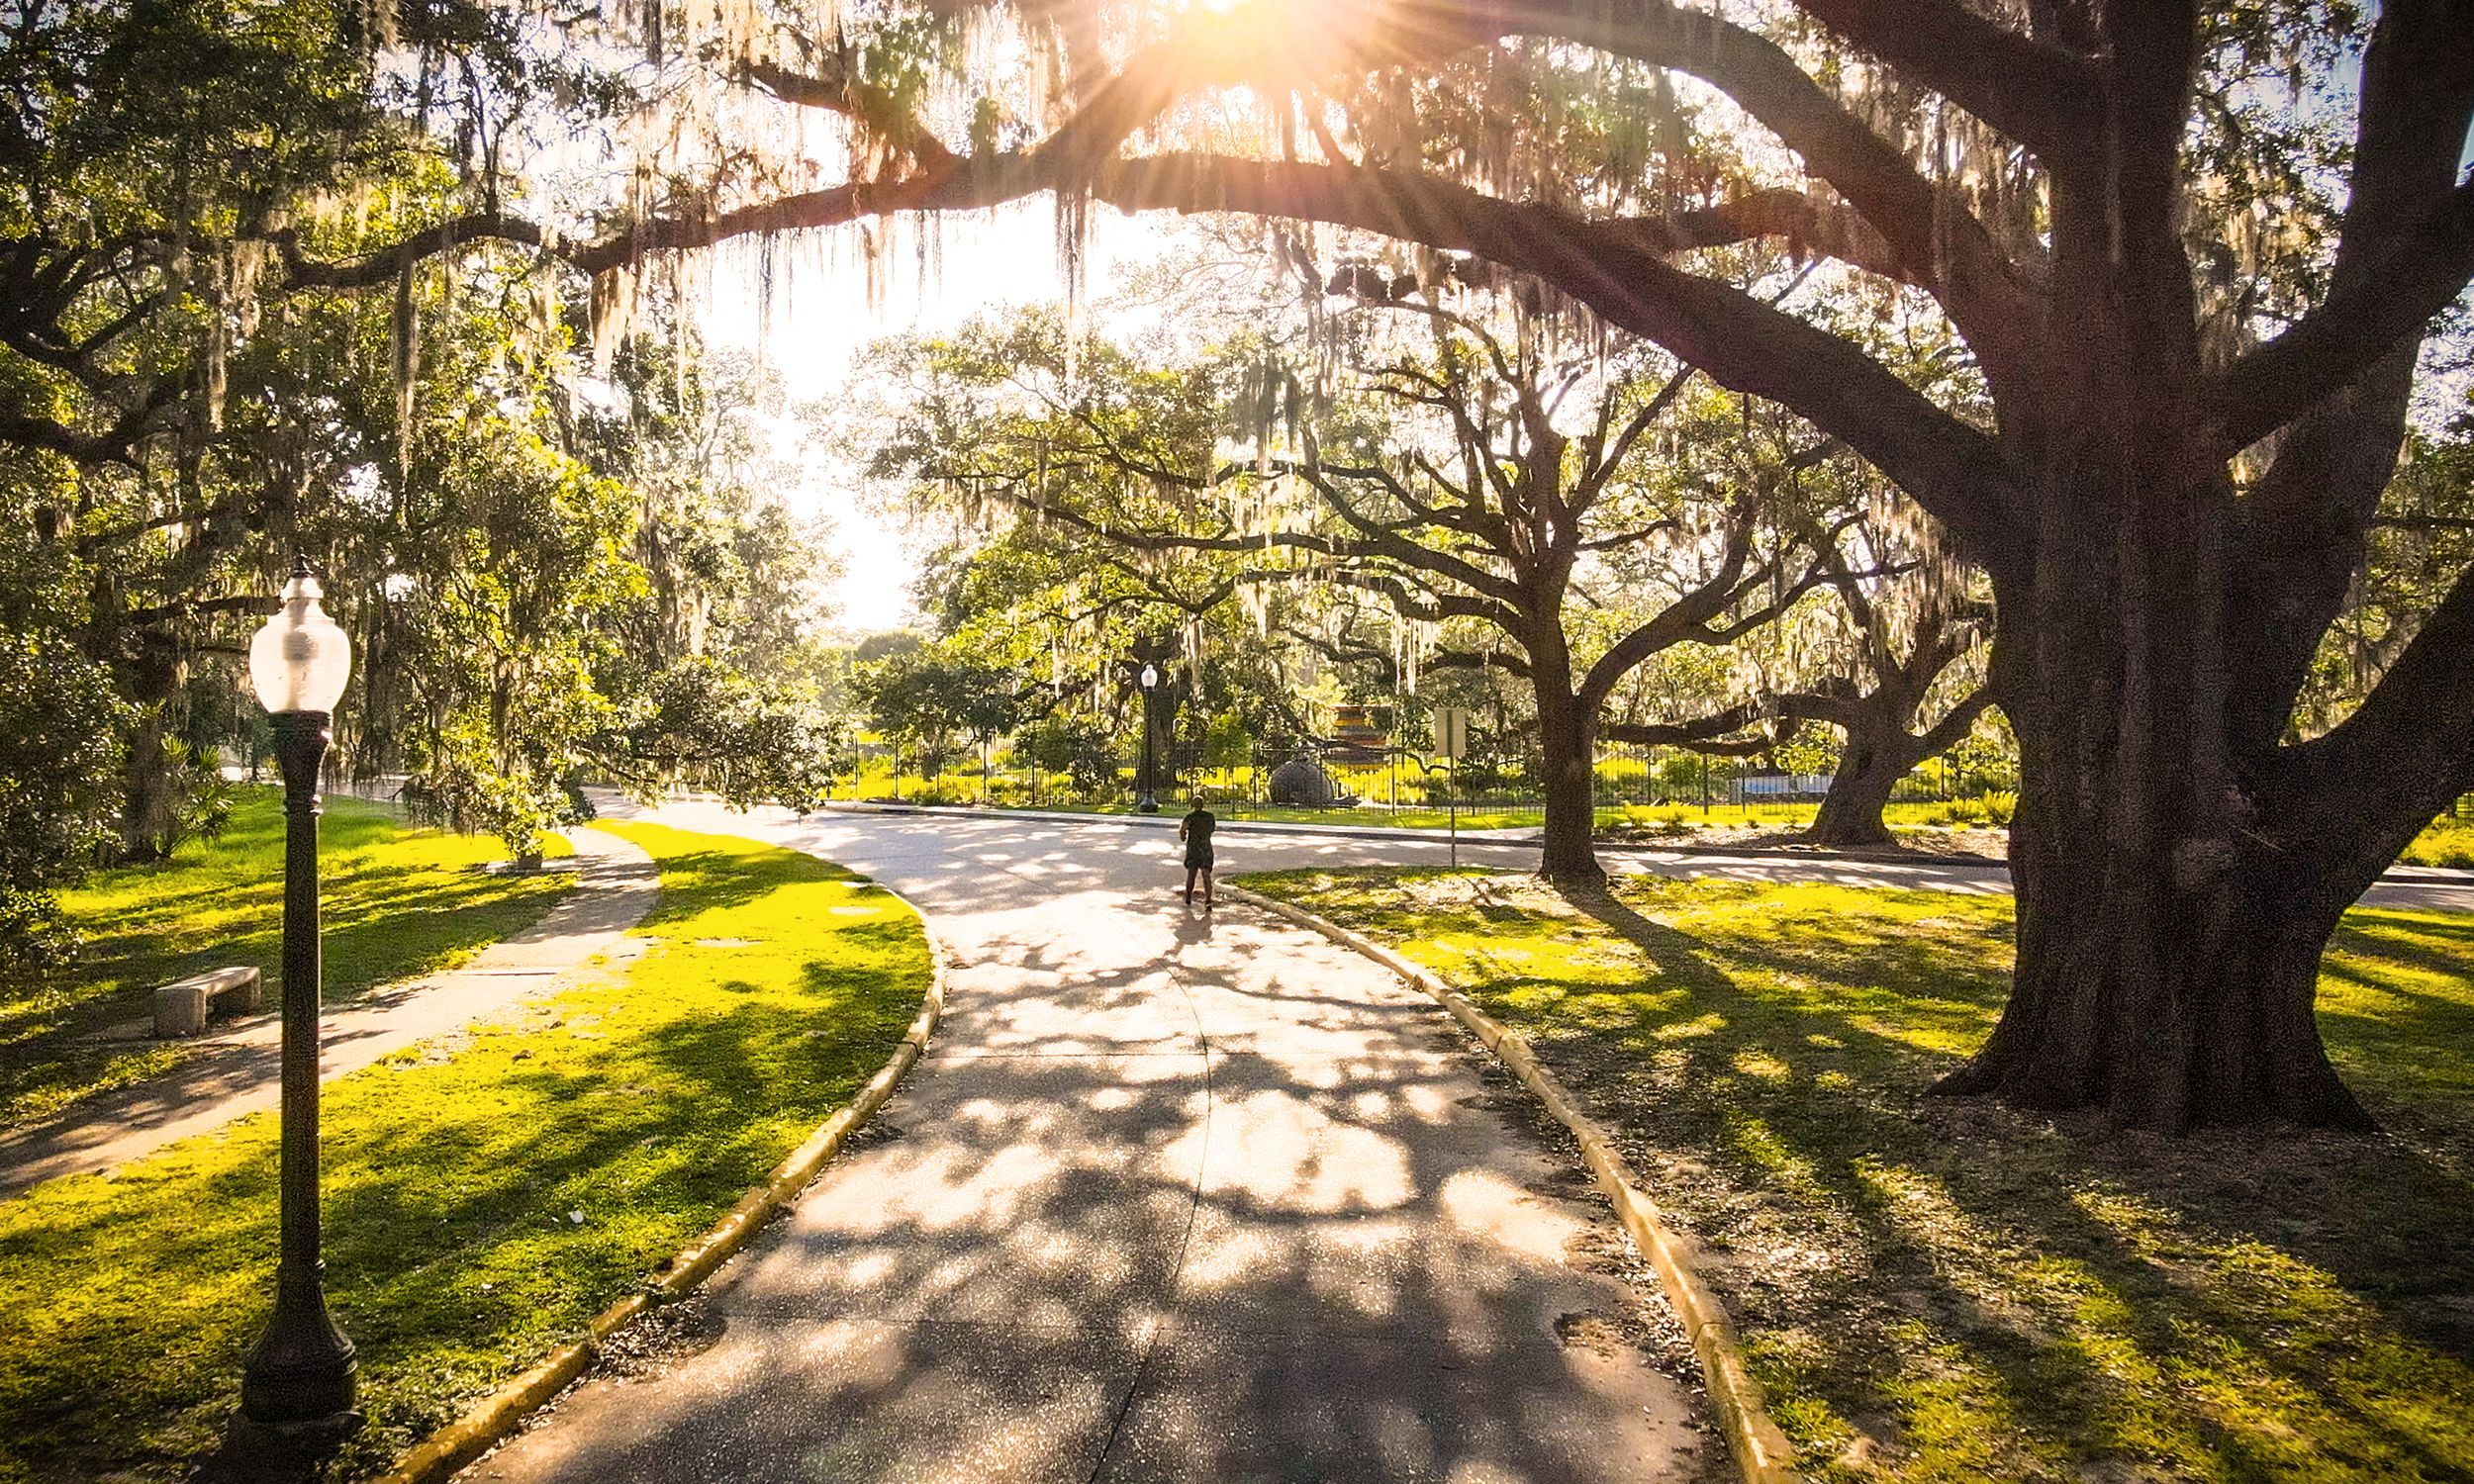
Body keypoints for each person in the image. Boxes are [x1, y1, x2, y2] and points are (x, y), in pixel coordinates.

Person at [1178, 802, 1217, 906]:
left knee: (1191, 874)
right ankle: (1208, 900)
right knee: (1206, 874)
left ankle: (1188, 898)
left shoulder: (1190, 817)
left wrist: (1183, 837)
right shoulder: (1210, 817)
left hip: (1193, 848)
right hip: (1206, 848)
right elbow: (1212, 829)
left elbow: (1182, 830)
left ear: (1193, 805)